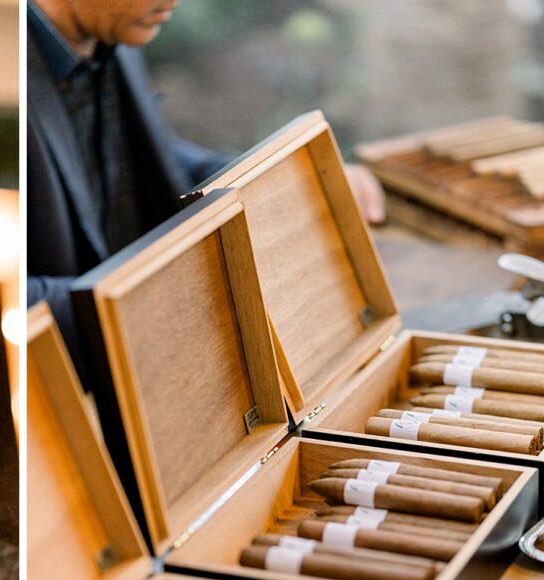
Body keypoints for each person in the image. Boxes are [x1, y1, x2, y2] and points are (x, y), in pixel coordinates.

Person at [26, 0, 386, 384]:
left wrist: (297, 181)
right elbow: (14, 303)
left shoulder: (115, 28)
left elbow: (153, 160)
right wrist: (169, 300)